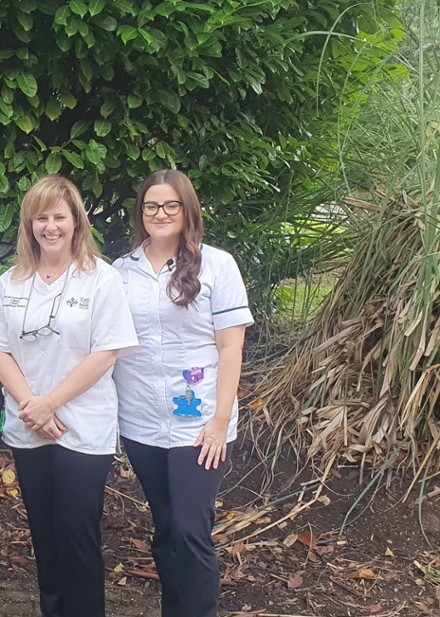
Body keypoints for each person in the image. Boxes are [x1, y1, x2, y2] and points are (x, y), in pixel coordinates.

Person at [0, 175, 138, 617]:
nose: (50, 226)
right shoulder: (13, 280)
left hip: (82, 425)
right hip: (30, 426)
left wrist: (51, 403)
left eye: (59, 217)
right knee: (44, 534)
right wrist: (33, 406)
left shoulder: (100, 279)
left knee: (76, 531)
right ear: (29, 225)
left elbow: (107, 352)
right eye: (40, 217)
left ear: (76, 221)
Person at [111, 170, 252, 617]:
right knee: (167, 528)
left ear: (187, 210)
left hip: (200, 424)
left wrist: (218, 421)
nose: (160, 214)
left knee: (191, 529)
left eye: (171, 205)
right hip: (142, 421)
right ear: (141, 213)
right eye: (151, 206)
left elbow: (231, 346)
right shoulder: (120, 272)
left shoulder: (218, 265)